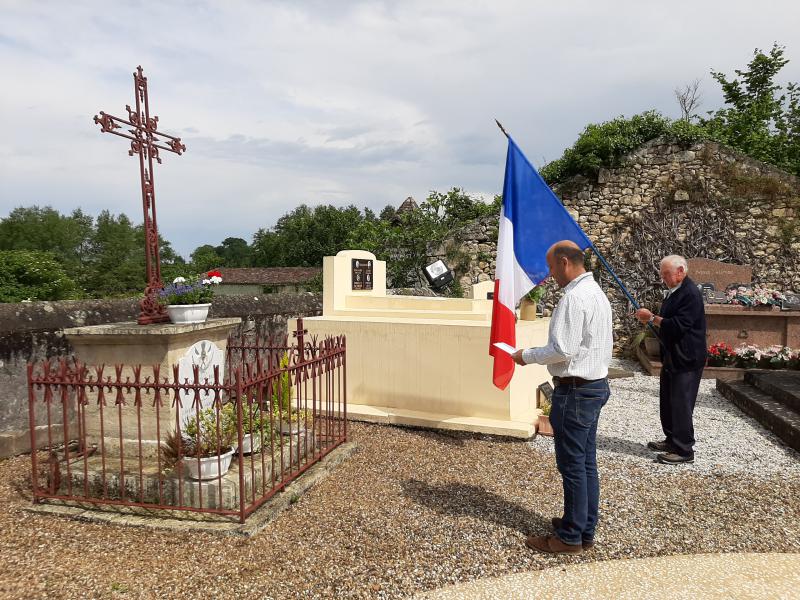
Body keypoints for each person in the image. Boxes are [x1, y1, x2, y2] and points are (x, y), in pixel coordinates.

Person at [512, 240, 613, 555]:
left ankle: (569, 537)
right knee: (585, 463)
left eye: (553, 267)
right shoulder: (597, 293)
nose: (551, 274)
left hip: (575, 390)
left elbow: (562, 349)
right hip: (595, 385)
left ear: (566, 263)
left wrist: (524, 355)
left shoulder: (573, 298)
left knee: (572, 465)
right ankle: (583, 527)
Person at [634, 255, 706, 465]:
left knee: (681, 402)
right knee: (668, 400)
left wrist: (652, 318)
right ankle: (671, 439)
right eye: (662, 273)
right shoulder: (675, 292)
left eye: (665, 273)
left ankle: (684, 449)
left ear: (681, 271)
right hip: (673, 355)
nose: (662, 277)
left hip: (687, 357)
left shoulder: (690, 294)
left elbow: (678, 325)